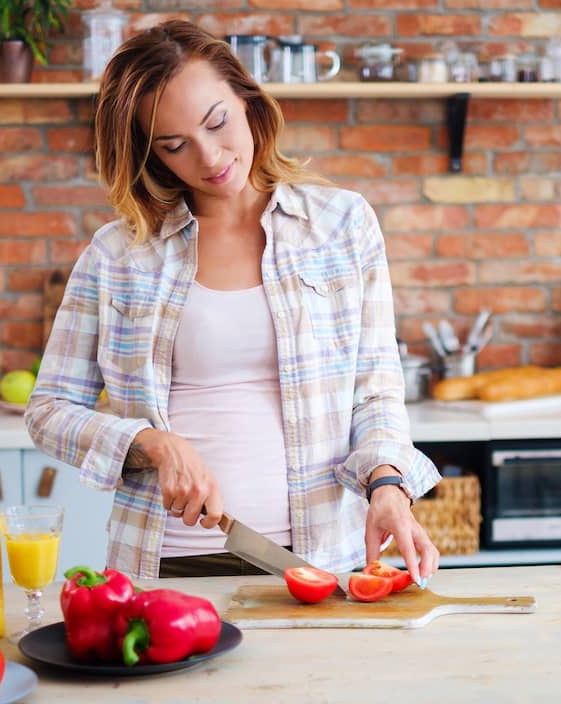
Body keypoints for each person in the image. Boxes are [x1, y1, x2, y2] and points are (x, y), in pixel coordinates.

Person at [25, 20, 442, 584]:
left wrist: (388, 484)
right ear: (153, 156)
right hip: (163, 561)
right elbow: (48, 409)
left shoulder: (342, 225)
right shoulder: (119, 255)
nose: (210, 156)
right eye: (175, 145)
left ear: (247, 101)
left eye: (217, 122)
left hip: (317, 560)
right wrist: (148, 443)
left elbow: (375, 388)